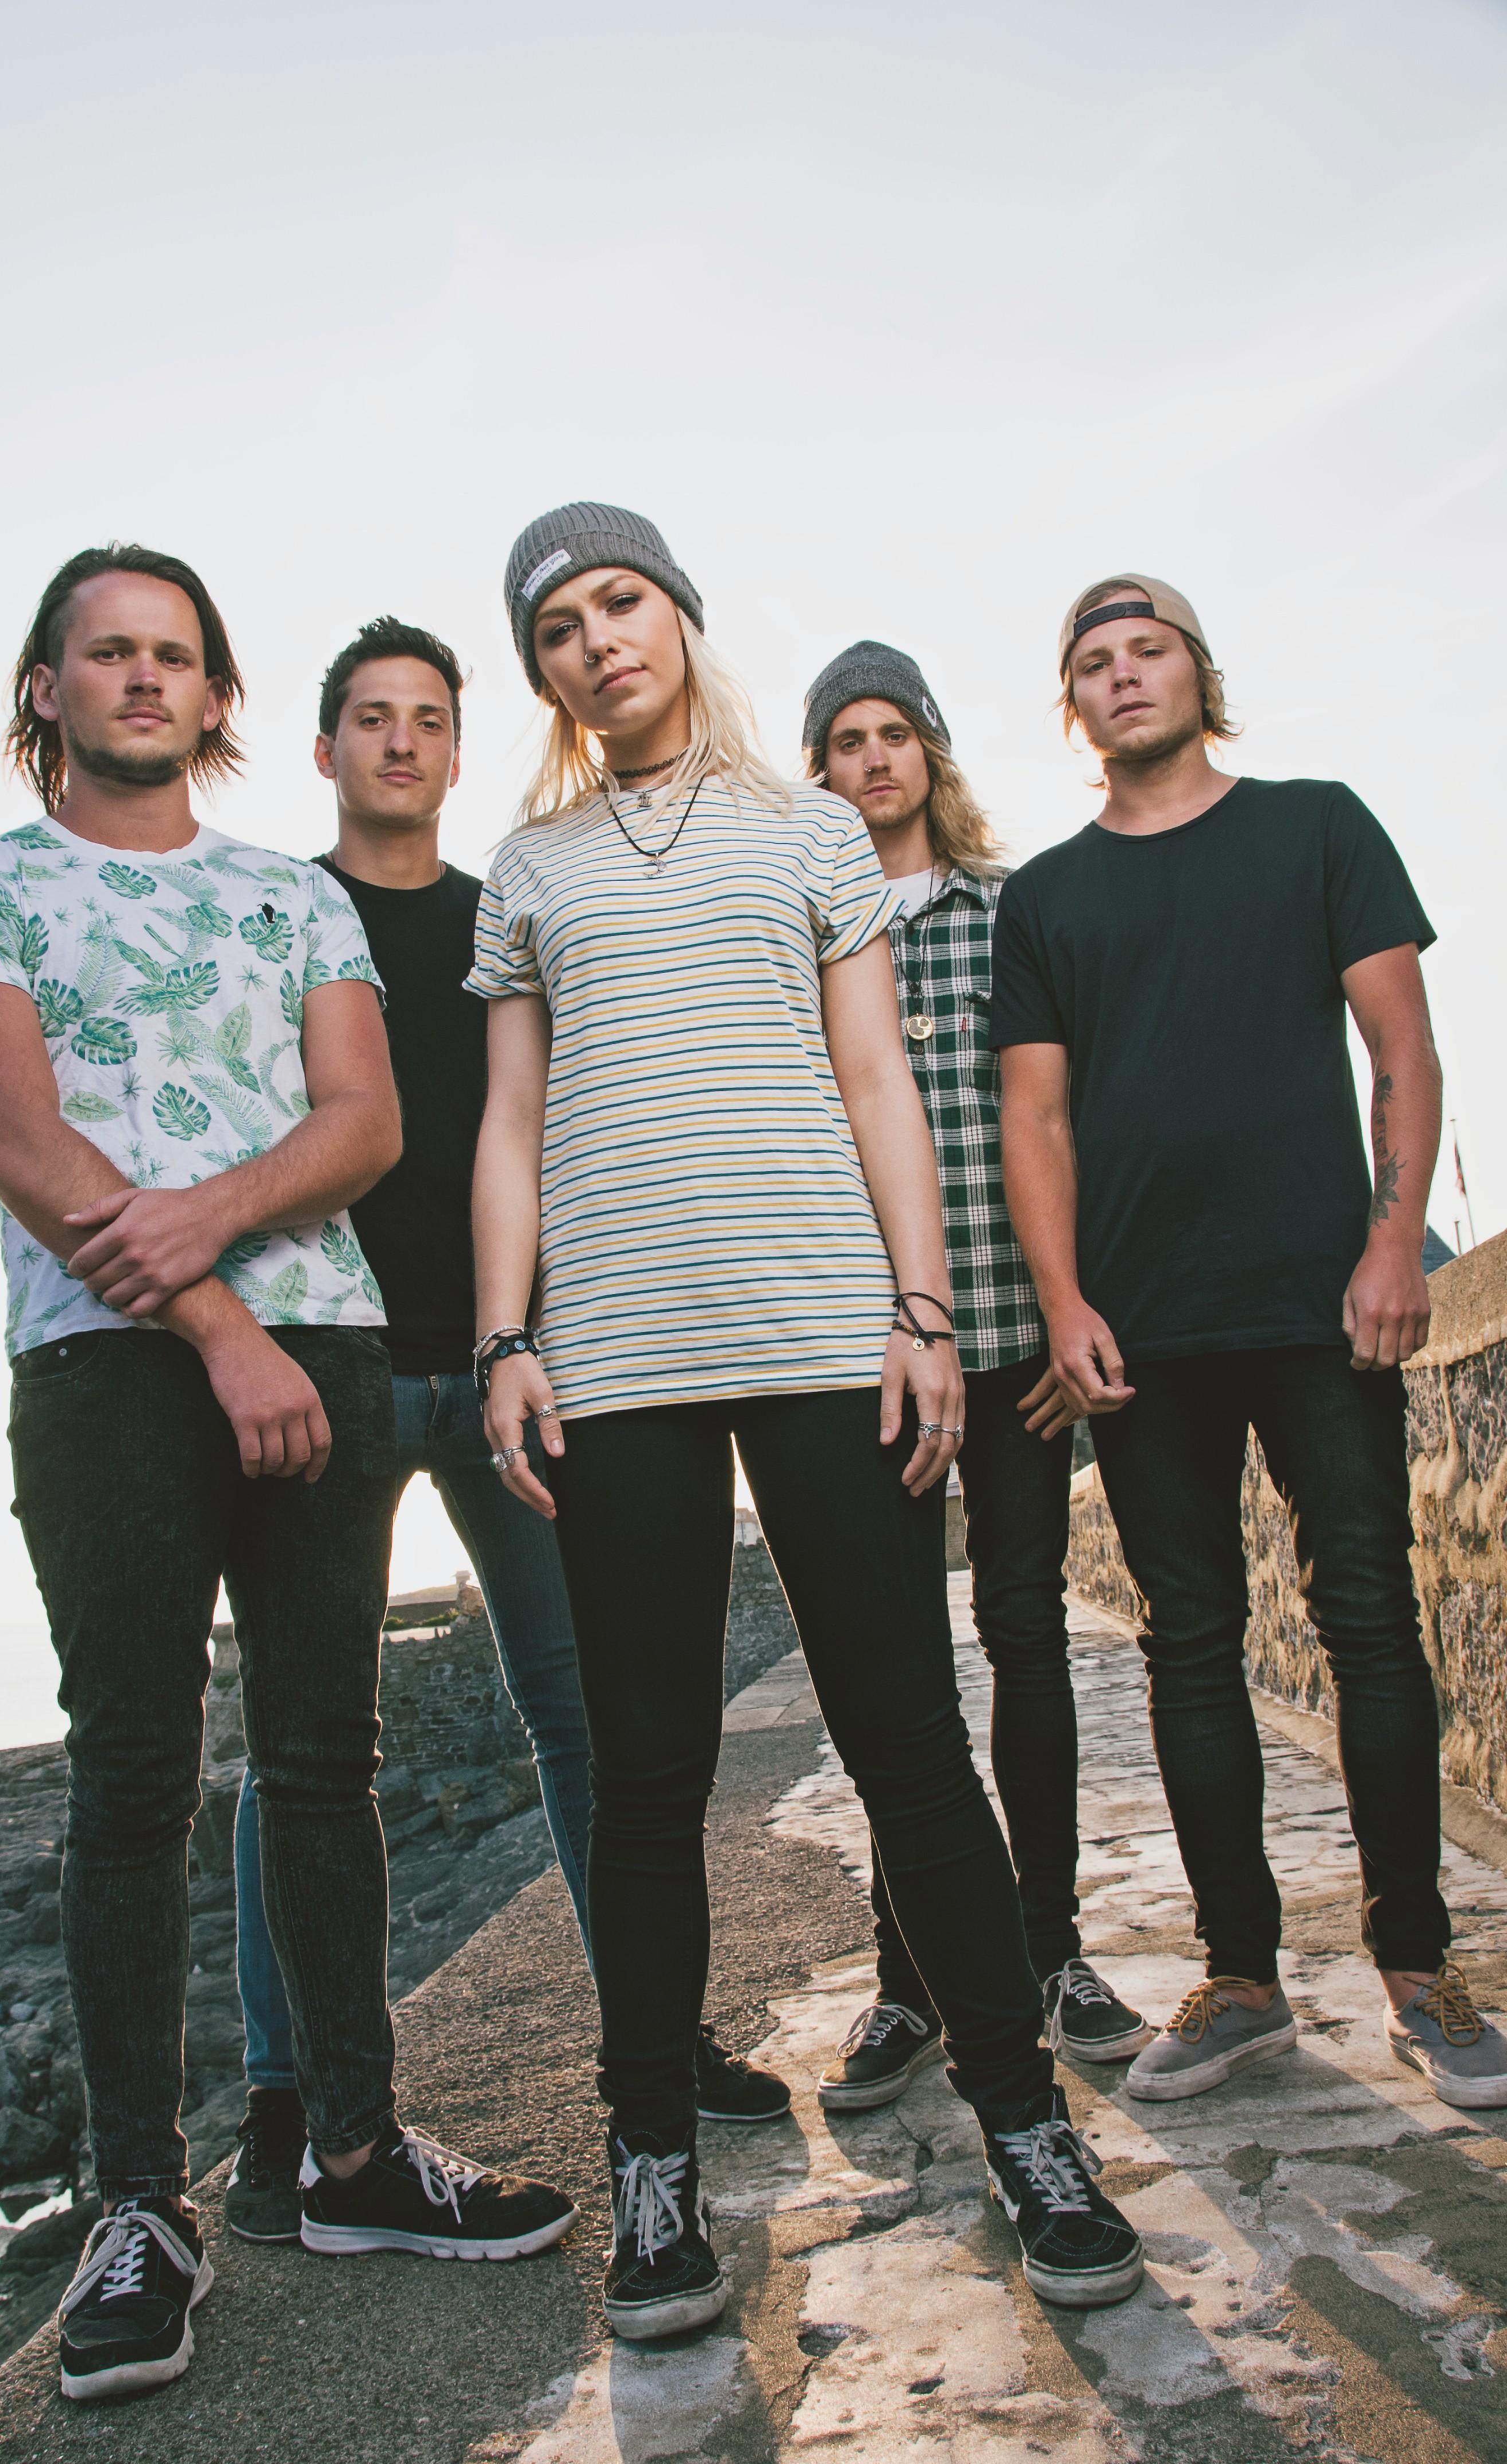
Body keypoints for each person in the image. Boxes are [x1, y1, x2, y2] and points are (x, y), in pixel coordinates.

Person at [0, 546, 576, 2404]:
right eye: (106, 652)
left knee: (322, 1758)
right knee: (130, 1774)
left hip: (325, 1354)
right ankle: (139, 2209)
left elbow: (368, 1120)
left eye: (173, 655)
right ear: (45, 686)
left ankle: (353, 2153)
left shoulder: (292, 896)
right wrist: (216, 1318)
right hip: (108, 1371)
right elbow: (22, 1140)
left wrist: (210, 1223)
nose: (141, 677)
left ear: (213, 698)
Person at [470, 502, 1146, 2340]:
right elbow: (512, 1121)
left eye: (621, 601)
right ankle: (653, 2168)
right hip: (614, 1364)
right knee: (647, 1777)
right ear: (546, 672)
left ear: (681, 615)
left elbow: (875, 1079)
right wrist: (505, 1336)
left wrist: (923, 1312)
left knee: (910, 1745)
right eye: (558, 628)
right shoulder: (527, 866)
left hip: (832, 1339)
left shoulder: (811, 831)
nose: (597, 641)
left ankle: (1027, 2126)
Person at [225, 617, 788, 2244]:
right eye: (370, 718)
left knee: (582, 1711)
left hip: (503, 1370)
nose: (401, 741)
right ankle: (285, 2100)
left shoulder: (505, 919)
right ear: (324, 747)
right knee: (302, 1750)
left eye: (428, 719)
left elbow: (565, 1131)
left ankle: (657, 2036)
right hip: (327, 1366)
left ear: (459, 752)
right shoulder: (272, 919)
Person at [992, 572, 1507, 2110]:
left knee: (1369, 1618)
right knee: (1190, 1640)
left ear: (1196, 673)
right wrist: (1063, 1301)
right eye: (1094, 660)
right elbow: (1035, 1117)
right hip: (1143, 1327)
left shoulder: (1316, 828)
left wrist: (1390, 1241)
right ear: (1073, 706)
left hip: (1318, 1304)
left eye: (1147, 648)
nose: (1122, 673)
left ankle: (1418, 1971)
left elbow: (1401, 1043)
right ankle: (1241, 1979)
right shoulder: (1049, 896)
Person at [802, 644, 1149, 2108]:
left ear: (930, 753)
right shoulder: (802, 924)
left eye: (893, 733)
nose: (872, 759)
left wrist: (1074, 1315)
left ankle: (1050, 1949)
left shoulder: (1012, 913)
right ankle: (912, 1980)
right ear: (818, 772)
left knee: (1022, 1629)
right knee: (893, 1667)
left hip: (1010, 1338)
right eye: (844, 741)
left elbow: (1078, 1114)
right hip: (864, 1345)